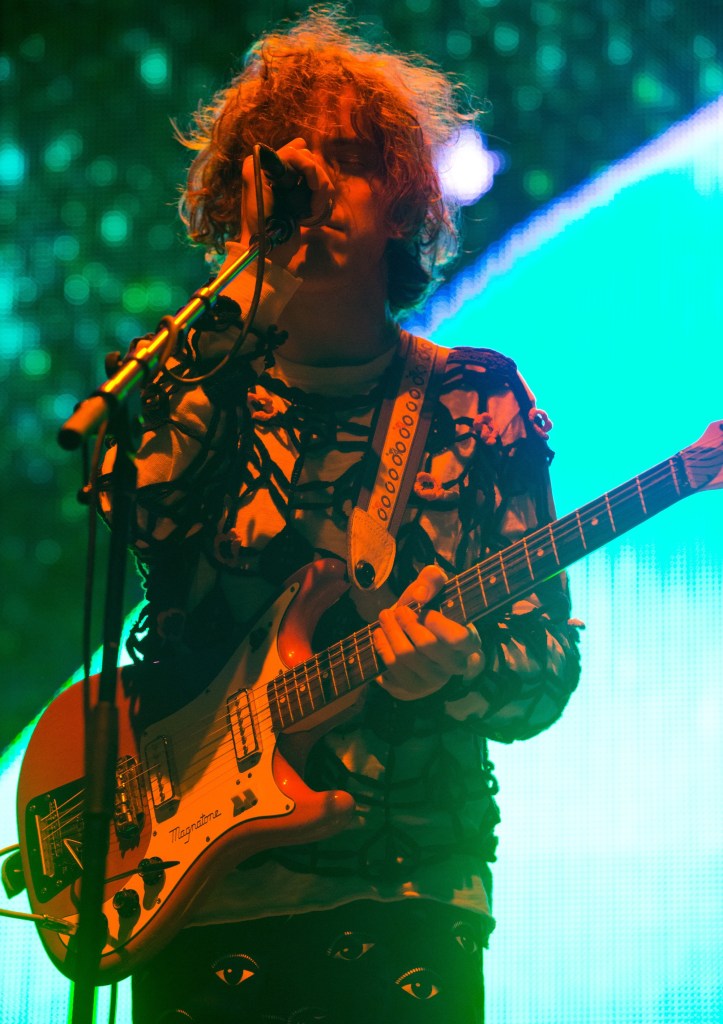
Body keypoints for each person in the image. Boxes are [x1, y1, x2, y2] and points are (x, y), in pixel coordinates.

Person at [102, 8, 581, 1023]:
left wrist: (457, 669)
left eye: (346, 163)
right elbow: (145, 558)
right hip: (195, 899)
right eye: (282, 168)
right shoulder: (195, 391)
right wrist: (231, 326)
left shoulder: (474, 400)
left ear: (403, 203)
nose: (310, 186)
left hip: (408, 896)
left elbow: (545, 672)